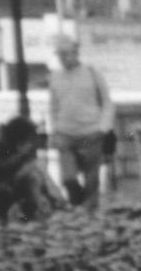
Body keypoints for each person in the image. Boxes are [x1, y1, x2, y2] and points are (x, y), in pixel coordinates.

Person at [45, 38, 114, 208]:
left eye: (66, 54)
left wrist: (103, 127)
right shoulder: (55, 76)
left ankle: (88, 212)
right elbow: (53, 106)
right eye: (60, 55)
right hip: (65, 133)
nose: (63, 58)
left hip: (91, 131)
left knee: (92, 178)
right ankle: (78, 204)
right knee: (68, 178)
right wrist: (54, 130)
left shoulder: (92, 73)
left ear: (76, 53)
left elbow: (107, 102)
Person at [0, 115, 54, 225]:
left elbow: (29, 159)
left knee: (34, 175)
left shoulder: (13, 137)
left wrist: (25, 158)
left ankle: (35, 213)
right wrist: (21, 155)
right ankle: (32, 215)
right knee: (31, 178)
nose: (30, 141)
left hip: (6, 179)